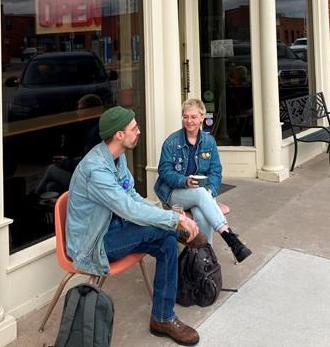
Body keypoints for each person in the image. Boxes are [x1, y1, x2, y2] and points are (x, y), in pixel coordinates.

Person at [66, 106, 202, 345]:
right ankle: (178, 232)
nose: (139, 131)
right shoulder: (95, 169)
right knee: (165, 230)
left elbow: (132, 197)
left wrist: (165, 214)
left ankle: (162, 318)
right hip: (93, 244)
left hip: (115, 227)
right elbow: (128, 209)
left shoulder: (117, 158)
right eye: (134, 128)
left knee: (166, 241)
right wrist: (175, 219)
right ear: (119, 135)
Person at [154, 98, 251, 263]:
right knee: (200, 193)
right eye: (185, 117)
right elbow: (164, 171)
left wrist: (211, 189)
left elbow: (215, 171)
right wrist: (184, 181)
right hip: (174, 193)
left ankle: (204, 260)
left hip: (200, 195)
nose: (189, 121)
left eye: (193, 117)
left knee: (202, 213)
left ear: (201, 118)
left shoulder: (209, 142)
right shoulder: (172, 141)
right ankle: (229, 237)